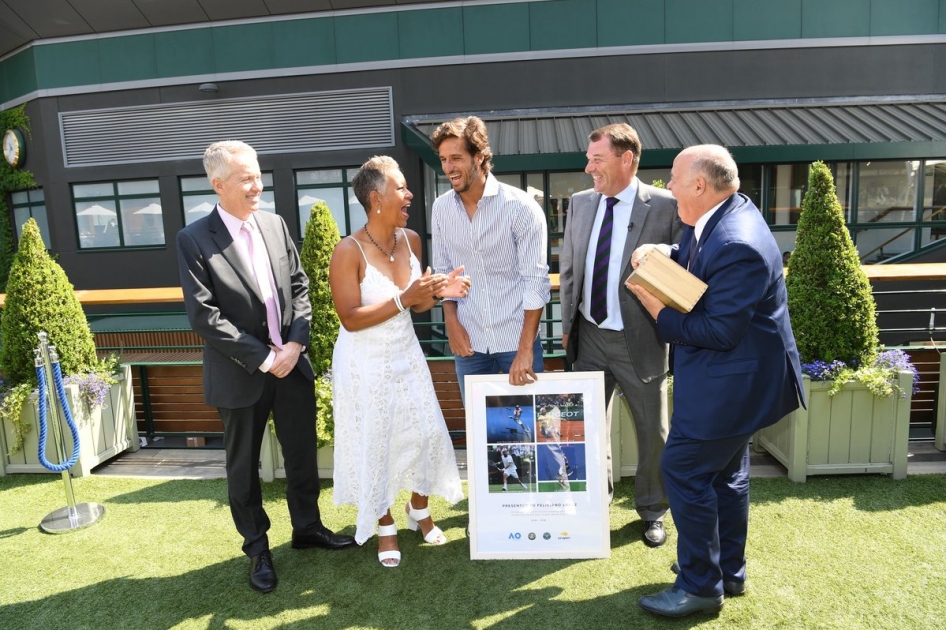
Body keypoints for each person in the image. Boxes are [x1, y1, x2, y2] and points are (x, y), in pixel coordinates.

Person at [627, 144, 805, 617]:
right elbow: (697, 256)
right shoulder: (725, 214)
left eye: (674, 179)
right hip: (736, 381)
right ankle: (727, 570)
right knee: (726, 476)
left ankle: (701, 586)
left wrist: (656, 307)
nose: (668, 186)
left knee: (683, 469)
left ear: (700, 186)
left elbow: (719, 331)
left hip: (732, 386)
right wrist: (662, 252)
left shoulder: (737, 240)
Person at [176, 141, 355, 594]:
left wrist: (295, 343)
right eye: (245, 178)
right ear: (219, 185)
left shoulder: (275, 225)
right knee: (243, 470)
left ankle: (308, 528)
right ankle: (257, 548)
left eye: (258, 175)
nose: (257, 185)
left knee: (301, 455)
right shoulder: (193, 239)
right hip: (241, 375)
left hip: (292, 366)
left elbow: (300, 287)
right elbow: (205, 317)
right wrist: (264, 357)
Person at [329, 156, 468, 568]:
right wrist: (405, 298)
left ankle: (419, 509)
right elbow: (350, 319)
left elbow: (418, 304)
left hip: (407, 355)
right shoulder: (346, 251)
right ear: (376, 198)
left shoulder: (410, 240)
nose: (409, 195)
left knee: (424, 433)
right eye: (401, 188)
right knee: (380, 439)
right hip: (364, 363)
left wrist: (442, 291)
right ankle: (385, 523)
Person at [559, 123, 683, 547]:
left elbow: (684, 268)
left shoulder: (666, 206)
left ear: (626, 159)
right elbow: (571, 269)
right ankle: (597, 505)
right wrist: (566, 328)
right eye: (589, 158)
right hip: (589, 337)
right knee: (589, 431)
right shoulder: (579, 204)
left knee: (654, 431)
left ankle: (652, 510)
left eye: (597, 159)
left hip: (642, 339)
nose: (588, 167)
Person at [431, 116, 551, 401]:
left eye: (456, 158)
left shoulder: (520, 207)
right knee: (480, 437)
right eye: (443, 159)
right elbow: (444, 272)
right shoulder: (440, 209)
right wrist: (452, 323)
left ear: (480, 156)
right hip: (468, 344)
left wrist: (525, 351)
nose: (448, 167)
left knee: (528, 434)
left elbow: (535, 282)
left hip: (516, 343)